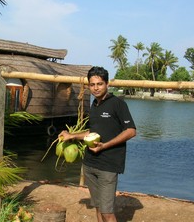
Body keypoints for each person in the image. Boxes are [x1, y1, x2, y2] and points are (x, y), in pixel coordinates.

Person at [58, 66, 136, 222]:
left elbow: (131, 131)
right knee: (98, 207)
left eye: (99, 84)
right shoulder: (95, 105)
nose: (95, 88)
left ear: (107, 84)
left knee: (107, 212)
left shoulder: (118, 104)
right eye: (92, 84)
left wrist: (104, 146)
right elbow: (91, 132)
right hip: (90, 164)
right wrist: (71, 136)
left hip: (108, 165)